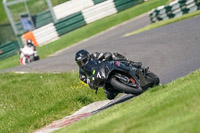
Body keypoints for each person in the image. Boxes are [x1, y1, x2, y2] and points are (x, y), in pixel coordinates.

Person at [75, 49, 142, 100]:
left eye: (83, 61)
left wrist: (106, 55)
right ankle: (120, 88)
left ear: (88, 57)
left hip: (108, 67)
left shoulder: (94, 55)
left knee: (115, 55)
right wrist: (91, 83)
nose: (82, 64)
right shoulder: (82, 73)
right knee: (109, 96)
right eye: (79, 63)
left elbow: (104, 54)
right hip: (102, 79)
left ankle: (132, 63)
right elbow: (87, 81)